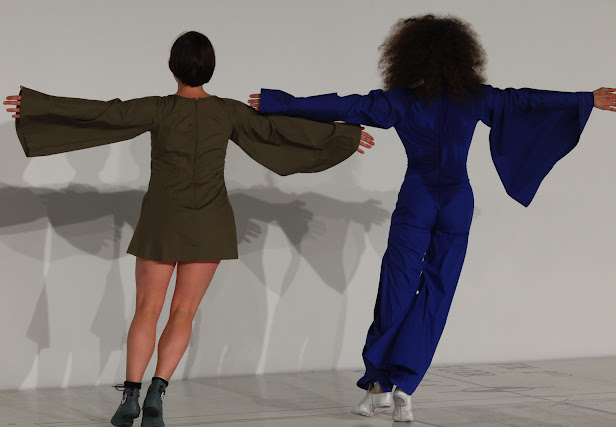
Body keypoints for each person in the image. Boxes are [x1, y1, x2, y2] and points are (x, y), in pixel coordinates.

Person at [249, 14, 615, 422]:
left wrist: (281, 103)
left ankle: (379, 386)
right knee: (437, 293)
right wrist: (585, 99)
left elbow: (344, 105)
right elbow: (525, 100)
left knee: (396, 288)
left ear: (408, 56)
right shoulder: (475, 98)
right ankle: (404, 387)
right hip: (457, 203)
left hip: (418, 200)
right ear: (463, 56)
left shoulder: (400, 101)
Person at [3, 31, 374, 427]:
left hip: (163, 219)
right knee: (184, 311)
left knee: (147, 309)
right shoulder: (229, 112)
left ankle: (131, 396)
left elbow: (106, 114)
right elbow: (278, 131)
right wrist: (344, 137)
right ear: (210, 68)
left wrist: (38, 107)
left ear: (173, 67)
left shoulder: (159, 108)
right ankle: (157, 394)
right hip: (210, 221)